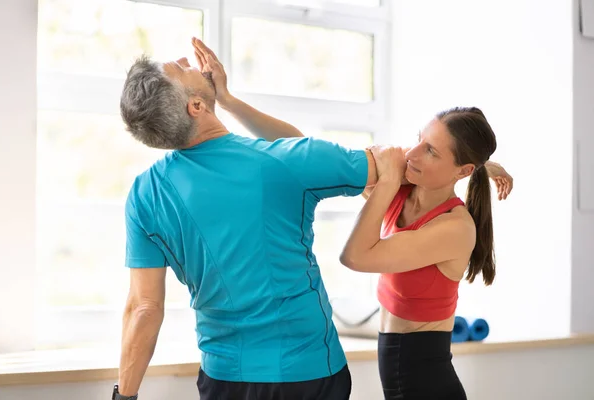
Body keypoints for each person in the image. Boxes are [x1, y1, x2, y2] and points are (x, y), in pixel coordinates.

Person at [114, 35, 513, 400]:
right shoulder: (284, 163)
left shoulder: (145, 194)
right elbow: (312, 152)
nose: (187, 60)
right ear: (196, 106)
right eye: (180, 68)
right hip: (308, 372)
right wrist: (454, 167)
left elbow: (144, 308)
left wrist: (125, 396)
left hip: (225, 376)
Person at [339, 107, 508, 399]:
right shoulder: (402, 194)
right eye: (418, 139)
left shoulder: (454, 227)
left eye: (430, 150)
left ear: (464, 170)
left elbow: (353, 256)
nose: (411, 154)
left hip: (427, 381)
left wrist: (390, 179)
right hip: (400, 375)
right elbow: (322, 165)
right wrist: (230, 103)